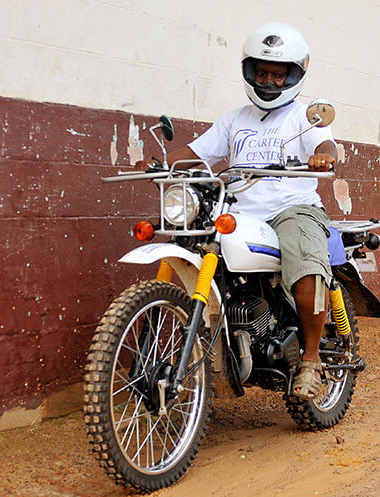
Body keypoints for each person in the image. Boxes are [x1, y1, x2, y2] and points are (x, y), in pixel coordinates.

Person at [136, 22, 336, 400]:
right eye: (262, 72)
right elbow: (198, 154)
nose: (269, 81)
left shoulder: (302, 117)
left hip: (291, 208)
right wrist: (159, 163)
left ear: (293, 75)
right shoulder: (235, 118)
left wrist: (323, 158)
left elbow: (326, 145)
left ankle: (310, 359)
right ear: (249, 71)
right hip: (239, 211)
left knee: (307, 267)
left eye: (279, 74)